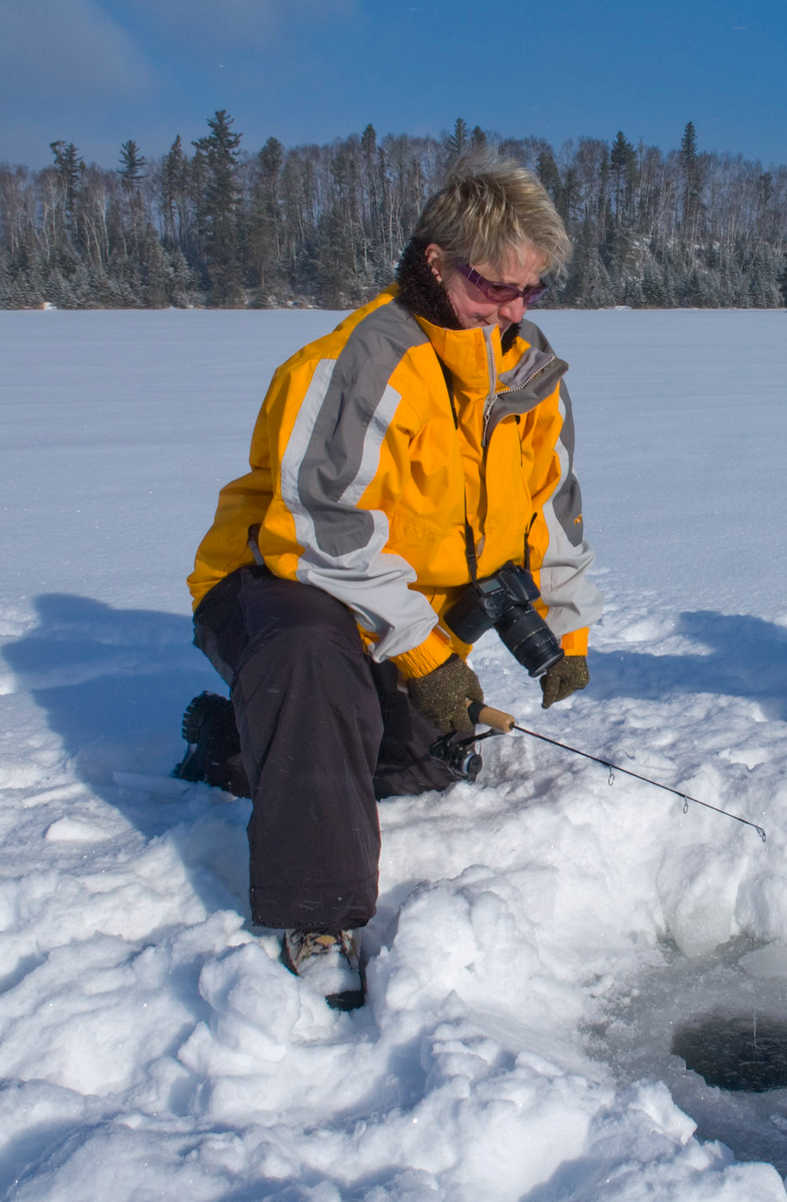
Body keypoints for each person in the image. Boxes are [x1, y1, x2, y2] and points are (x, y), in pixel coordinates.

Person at [176, 155, 600, 1008]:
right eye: (493, 287)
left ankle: (240, 744)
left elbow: (552, 511)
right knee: (311, 657)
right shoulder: (361, 360)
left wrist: (565, 631)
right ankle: (318, 917)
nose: (513, 309)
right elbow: (320, 537)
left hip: (398, 602)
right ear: (437, 262)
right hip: (278, 583)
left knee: (419, 761)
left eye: (532, 291)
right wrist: (425, 656)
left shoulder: (528, 372)